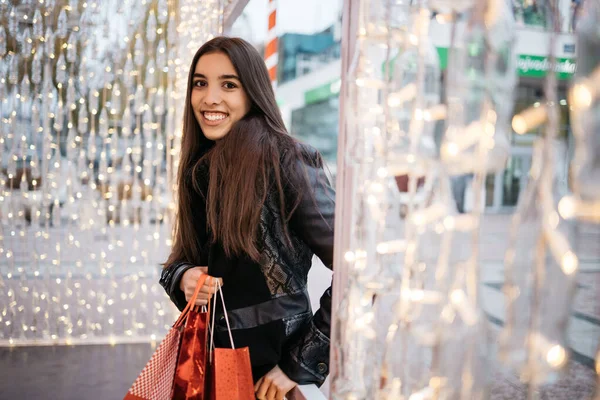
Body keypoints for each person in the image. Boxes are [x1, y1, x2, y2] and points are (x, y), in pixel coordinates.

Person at [159, 36, 335, 400]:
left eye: (229, 85)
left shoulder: (287, 161)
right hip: (208, 371)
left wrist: (299, 364)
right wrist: (184, 277)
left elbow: (358, 270)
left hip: (268, 381)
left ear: (252, 92)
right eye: (200, 83)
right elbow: (180, 260)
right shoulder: (200, 167)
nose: (210, 98)